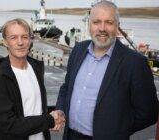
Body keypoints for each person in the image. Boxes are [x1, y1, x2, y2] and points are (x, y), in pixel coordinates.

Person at [55, 1, 158, 140]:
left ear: (117, 26)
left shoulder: (135, 63)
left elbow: (148, 113)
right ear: (90, 25)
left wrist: (116, 129)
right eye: (97, 22)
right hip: (70, 136)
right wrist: (60, 110)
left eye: (109, 22)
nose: (102, 28)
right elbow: (67, 88)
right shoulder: (78, 50)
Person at [0, 18, 65, 140]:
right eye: (13, 38)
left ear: (30, 40)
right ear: (5, 41)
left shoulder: (36, 67)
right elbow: (9, 124)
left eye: (24, 37)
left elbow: (35, 107)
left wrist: (55, 114)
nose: (20, 42)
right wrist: (49, 120)